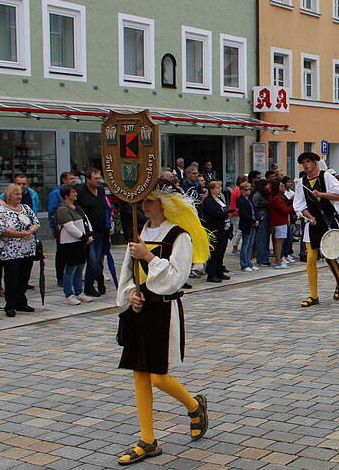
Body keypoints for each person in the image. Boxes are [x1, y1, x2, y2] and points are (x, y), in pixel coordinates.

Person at [114, 180, 211, 465]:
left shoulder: (179, 236)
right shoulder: (140, 231)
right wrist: (131, 294)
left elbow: (174, 279)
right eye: (142, 201)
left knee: (158, 375)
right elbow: (128, 271)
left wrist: (149, 256)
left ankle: (194, 406)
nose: (144, 205)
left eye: (150, 200)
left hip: (163, 310)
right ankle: (148, 439)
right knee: (139, 374)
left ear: (164, 203)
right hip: (141, 310)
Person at [293, 152, 339, 307]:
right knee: (310, 259)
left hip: (328, 221)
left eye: (308, 161)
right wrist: (309, 216)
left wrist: (321, 194)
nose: (306, 164)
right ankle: (313, 295)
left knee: (329, 257)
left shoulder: (326, 177)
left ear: (315, 162)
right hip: (313, 224)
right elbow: (299, 205)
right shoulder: (302, 182)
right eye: (303, 162)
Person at [0, 184, 40, 317]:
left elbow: (36, 222)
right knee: (11, 278)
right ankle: (10, 304)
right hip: (11, 250)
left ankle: (21, 301)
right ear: (9, 196)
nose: (19, 197)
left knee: (24, 277)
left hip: (27, 249)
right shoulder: (2, 210)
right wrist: (20, 234)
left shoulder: (25, 208)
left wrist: (30, 230)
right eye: (16, 194)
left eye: (20, 194)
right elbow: (1, 230)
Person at [54, 184, 93, 305]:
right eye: (73, 192)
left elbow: (86, 220)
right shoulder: (63, 209)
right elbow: (70, 227)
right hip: (70, 243)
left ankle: (78, 292)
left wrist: (89, 233)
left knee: (80, 267)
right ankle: (69, 294)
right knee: (71, 268)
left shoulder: (77, 207)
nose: (76, 194)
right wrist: (83, 236)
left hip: (81, 242)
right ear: (66, 195)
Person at [78, 169, 110, 297]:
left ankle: (98, 279)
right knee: (93, 259)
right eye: (95, 178)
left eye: (99, 178)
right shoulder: (81, 192)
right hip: (89, 232)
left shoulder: (101, 191)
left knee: (100, 258)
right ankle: (90, 284)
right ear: (88, 179)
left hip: (103, 230)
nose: (99, 181)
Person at [48, 172, 80, 282]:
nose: (74, 180)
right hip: (61, 228)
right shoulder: (55, 194)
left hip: (74, 227)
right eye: (71, 179)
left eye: (74, 178)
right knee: (61, 253)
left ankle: (73, 276)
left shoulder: (75, 193)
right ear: (63, 180)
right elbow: (53, 211)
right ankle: (60, 277)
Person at [200, 180, 232, 283]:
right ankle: (212, 274)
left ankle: (219, 271)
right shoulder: (209, 201)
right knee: (214, 253)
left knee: (221, 252)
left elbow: (224, 209)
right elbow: (213, 213)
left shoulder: (219, 199)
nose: (220, 189)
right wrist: (225, 215)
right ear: (212, 190)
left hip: (224, 229)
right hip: (214, 229)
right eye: (218, 188)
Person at [268, 180, 293, 269]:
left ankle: (278, 260)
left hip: (279, 221)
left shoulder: (278, 197)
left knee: (278, 241)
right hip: (280, 221)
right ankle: (278, 262)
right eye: (281, 187)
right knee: (279, 242)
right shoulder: (277, 198)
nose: (283, 188)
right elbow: (284, 210)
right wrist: (293, 205)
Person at [236, 182, 256, 272]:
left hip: (253, 223)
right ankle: (244, 264)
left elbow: (254, 210)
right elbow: (243, 213)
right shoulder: (240, 200)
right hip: (246, 224)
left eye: (249, 189)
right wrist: (252, 221)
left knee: (250, 245)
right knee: (245, 244)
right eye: (246, 189)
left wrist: (257, 219)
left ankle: (249, 262)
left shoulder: (249, 199)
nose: (248, 191)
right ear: (242, 190)